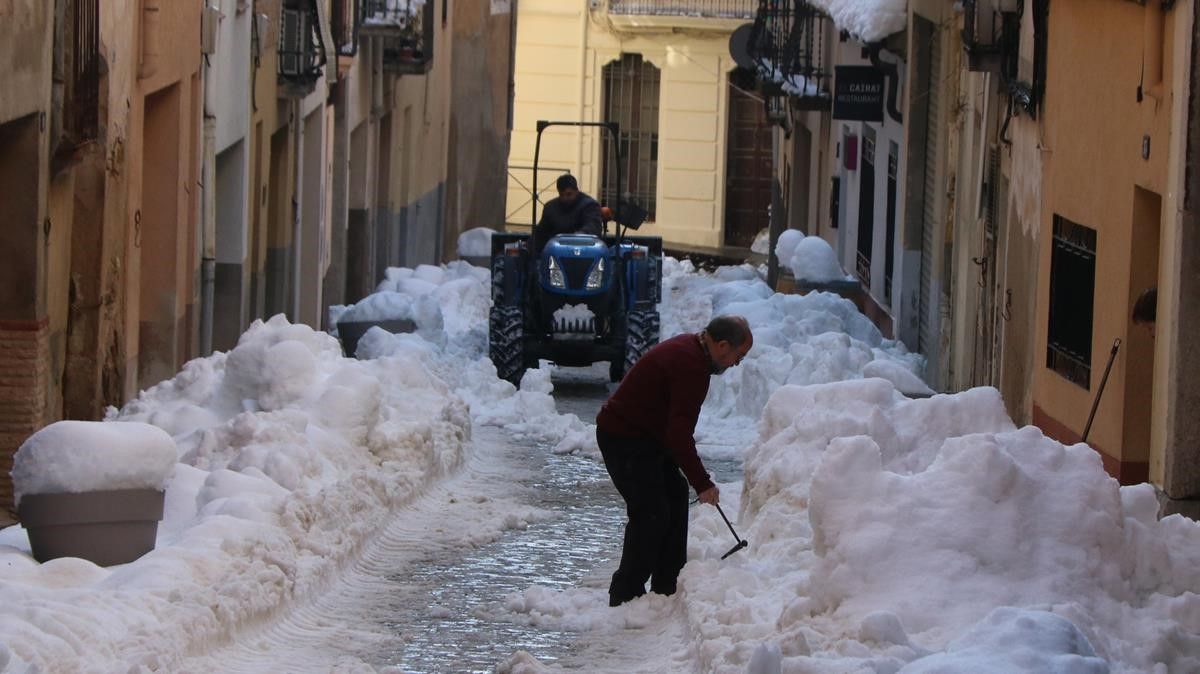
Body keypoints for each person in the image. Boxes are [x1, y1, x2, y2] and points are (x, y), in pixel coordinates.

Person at [595, 315, 754, 607]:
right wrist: (703, 483)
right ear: (721, 346)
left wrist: (694, 481)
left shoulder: (692, 351)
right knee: (651, 512)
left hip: (646, 437)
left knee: (675, 494)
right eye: (738, 356)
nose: (736, 364)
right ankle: (625, 593)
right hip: (623, 438)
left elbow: (673, 430)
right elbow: (679, 433)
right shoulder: (691, 366)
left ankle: (667, 583)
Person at [531, 174, 603, 257]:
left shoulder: (590, 205)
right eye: (562, 195)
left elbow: (592, 227)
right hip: (556, 252)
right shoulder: (550, 207)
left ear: (576, 191)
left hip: (583, 252)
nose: (565, 198)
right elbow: (541, 232)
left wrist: (576, 238)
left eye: (569, 194)